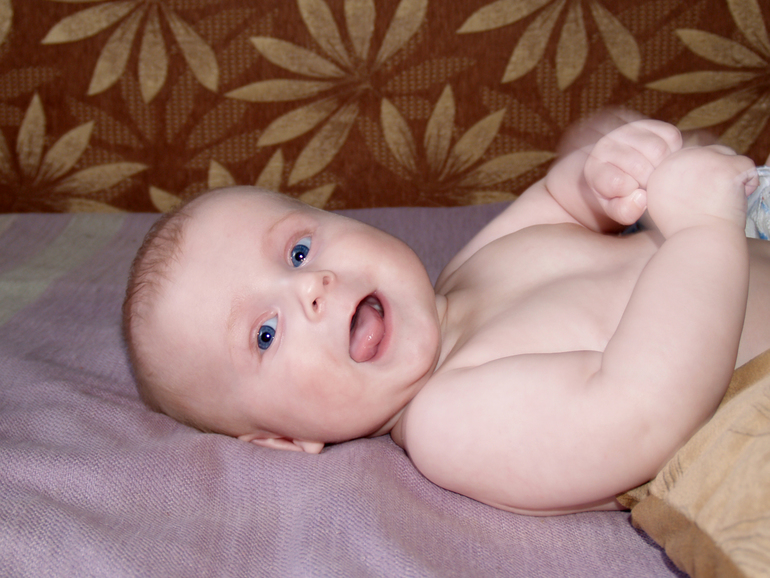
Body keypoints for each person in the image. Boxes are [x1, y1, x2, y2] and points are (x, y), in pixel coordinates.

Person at [123, 116, 770, 515]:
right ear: (283, 441)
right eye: (264, 334)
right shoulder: (449, 421)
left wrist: (604, 174)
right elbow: (642, 411)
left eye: (298, 250)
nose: (310, 288)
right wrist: (701, 232)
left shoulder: (470, 269)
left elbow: (563, 202)